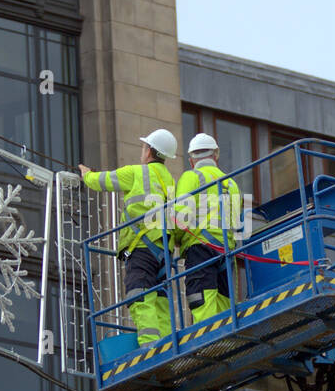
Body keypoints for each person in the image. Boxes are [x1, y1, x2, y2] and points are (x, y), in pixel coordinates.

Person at [79, 129, 178, 347]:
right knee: (161, 298)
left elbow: (101, 181)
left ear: (149, 151)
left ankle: (151, 345)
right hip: (164, 251)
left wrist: (86, 174)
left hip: (141, 247)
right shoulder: (171, 182)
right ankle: (168, 345)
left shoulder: (136, 173)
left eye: (144, 148)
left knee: (139, 294)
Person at [173, 132, 242, 323]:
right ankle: (226, 342)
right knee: (224, 304)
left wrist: (177, 239)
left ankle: (209, 343)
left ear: (191, 160)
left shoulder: (191, 177)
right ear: (216, 155)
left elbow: (181, 216)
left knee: (202, 301)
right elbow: (236, 221)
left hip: (200, 249)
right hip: (226, 251)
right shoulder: (231, 183)